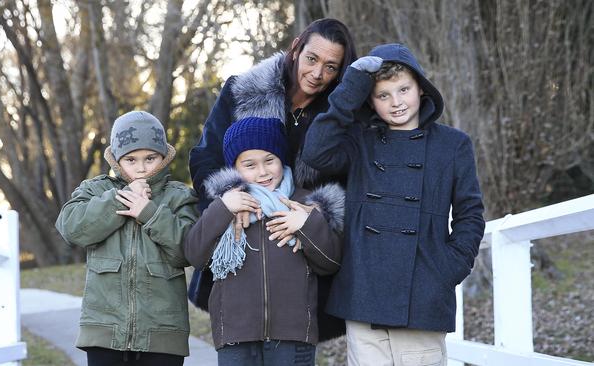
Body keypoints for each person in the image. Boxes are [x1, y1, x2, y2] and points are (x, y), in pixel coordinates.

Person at [301, 43, 486, 366]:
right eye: (383, 95)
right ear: (370, 100)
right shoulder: (361, 141)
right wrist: (350, 88)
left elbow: (470, 214)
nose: (396, 102)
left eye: (403, 89)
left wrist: (449, 268)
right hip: (364, 296)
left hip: (422, 295)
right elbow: (316, 152)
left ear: (421, 89)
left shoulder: (453, 144)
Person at [187, 18, 357, 340]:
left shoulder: (338, 117)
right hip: (244, 239)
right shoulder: (243, 90)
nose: (318, 73)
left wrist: (318, 210)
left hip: (298, 247)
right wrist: (231, 202)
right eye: (312, 59)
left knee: (292, 343)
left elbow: (346, 180)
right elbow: (205, 156)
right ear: (296, 49)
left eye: (331, 67)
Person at [183, 116, 344, 366]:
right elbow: (195, 255)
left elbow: (330, 262)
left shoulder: (304, 204)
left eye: (270, 160)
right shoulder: (226, 205)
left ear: (282, 159)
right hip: (237, 335)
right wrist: (223, 208)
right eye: (250, 164)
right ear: (235, 168)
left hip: (294, 335)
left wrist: (306, 224)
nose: (262, 172)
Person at [55, 111, 199, 366]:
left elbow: (188, 251)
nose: (142, 167)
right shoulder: (95, 190)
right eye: (131, 159)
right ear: (117, 160)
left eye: (150, 158)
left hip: (163, 334)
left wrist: (150, 214)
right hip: (103, 332)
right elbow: (71, 228)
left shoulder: (179, 196)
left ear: (164, 157)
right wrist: (119, 198)